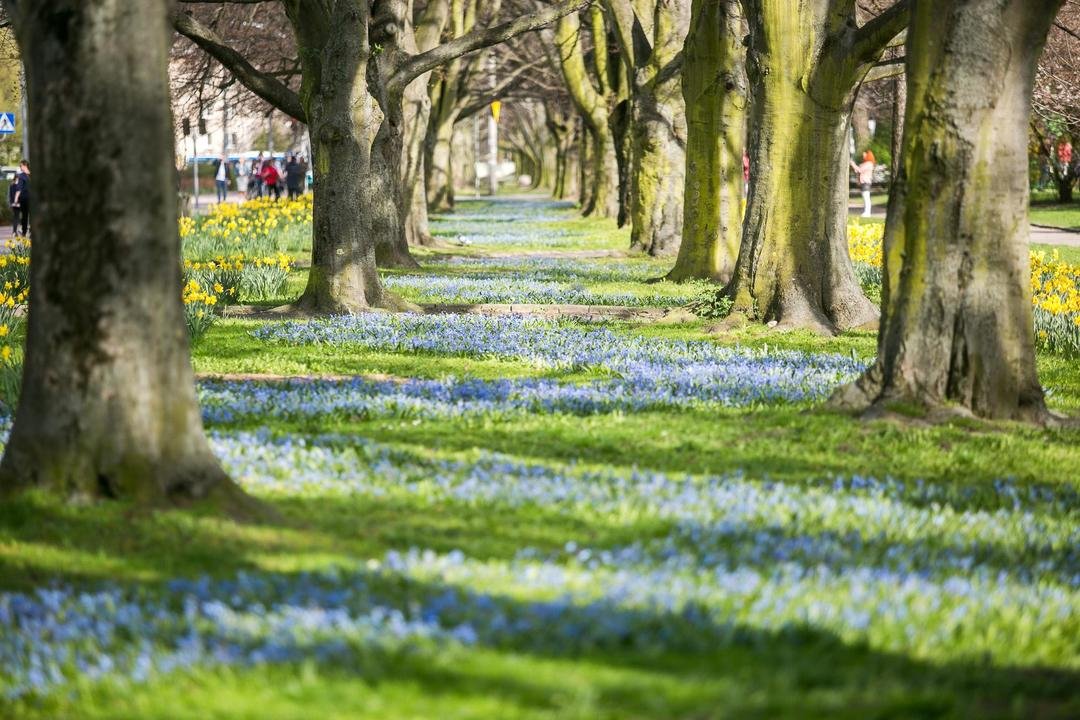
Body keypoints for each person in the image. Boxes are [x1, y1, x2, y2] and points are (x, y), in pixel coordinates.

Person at [850, 150, 876, 218]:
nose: (863, 156)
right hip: (864, 182)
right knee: (865, 197)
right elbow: (857, 170)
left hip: (866, 182)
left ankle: (867, 212)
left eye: (865, 154)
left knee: (866, 198)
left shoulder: (869, 163)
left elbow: (859, 170)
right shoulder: (866, 163)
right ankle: (866, 212)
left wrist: (852, 163)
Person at [12, 160, 29, 237]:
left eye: (20, 166)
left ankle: (24, 232)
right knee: (27, 216)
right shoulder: (23, 175)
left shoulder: (22, 176)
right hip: (28, 198)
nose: (20, 167)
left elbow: (19, 189)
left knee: (25, 216)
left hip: (25, 198)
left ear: (24, 165)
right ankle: (26, 232)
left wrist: (15, 200)